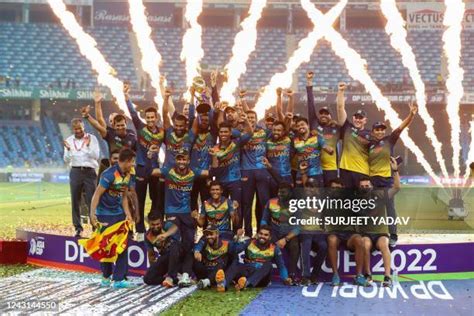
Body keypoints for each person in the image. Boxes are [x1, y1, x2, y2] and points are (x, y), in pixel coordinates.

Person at [151, 148, 209, 287]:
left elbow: (208, 172)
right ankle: (170, 277)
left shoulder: (193, 172)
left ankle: (185, 275)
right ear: (175, 160)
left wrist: (213, 157)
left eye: (184, 159)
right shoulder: (168, 171)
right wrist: (152, 156)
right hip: (171, 213)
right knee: (175, 244)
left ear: (188, 161)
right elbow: (153, 172)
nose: (181, 161)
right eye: (179, 159)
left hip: (187, 213)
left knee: (189, 245)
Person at [369, 102, 417, 246]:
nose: (380, 132)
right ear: (373, 131)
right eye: (377, 129)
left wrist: (411, 115)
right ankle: (372, 234)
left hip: (386, 181)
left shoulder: (389, 140)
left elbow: (400, 128)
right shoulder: (368, 144)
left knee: (390, 208)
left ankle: (393, 235)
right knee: (371, 209)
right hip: (372, 182)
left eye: (382, 129)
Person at [89, 148, 136, 288]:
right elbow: (96, 195)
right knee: (106, 246)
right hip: (105, 214)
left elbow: (123, 197)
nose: (133, 164)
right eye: (132, 161)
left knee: (122, 245)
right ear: (126, 161)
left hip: (119, 215)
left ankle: (119, 279)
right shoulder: (109, 174)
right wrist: (92, 214)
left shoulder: (129, 175)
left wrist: (128, 214)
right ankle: (105, 277)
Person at [124, 83, 164, 240]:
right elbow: (133, 114)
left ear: (156, 118)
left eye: (152, 117)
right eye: (148, 117)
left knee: (156, 201)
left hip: (155, 170)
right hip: (140, 169)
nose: (150, 120)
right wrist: (126, 97)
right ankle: (139, 230)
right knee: (139, 200)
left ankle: (154, 227)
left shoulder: (162, 132)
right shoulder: (140, 128)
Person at [360, 157, 401, 287]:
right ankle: (368, 275)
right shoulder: (355, 199)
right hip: (366, 233)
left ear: (372, 186)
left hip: (380, 233)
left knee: (384, 244)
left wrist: (395, 171)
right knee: (365, 244)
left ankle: (387, 276)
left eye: (367, 186)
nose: (365, 188)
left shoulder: (380, 194)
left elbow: (397, 188)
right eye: (362, 186)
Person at [210, 116, 253, 234]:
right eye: (221, 132)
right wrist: (214, 157)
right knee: (222, 208)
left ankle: (236, 234)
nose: (223, 134)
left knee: (236, 208)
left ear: (230, 133)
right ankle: (223, 233)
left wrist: (246, 121)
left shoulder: (236, 143)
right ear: (218, 133)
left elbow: (250, 134)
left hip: (235, 181)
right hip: (221, 183)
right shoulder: (214, 148)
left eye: (226, 131)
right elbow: (213, 172)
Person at [325, 179, 368, 287]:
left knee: (359, 240)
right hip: (335, 233)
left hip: (349, 234)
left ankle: (359, 276)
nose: (336, 190)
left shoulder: (350, 200)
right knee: (331, 240)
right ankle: (335, 275)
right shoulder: (327, 202)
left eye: (338, 188)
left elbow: (361, 215)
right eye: (333, 188)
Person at [223, 225, 292, 291]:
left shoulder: (274, 248)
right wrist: (237, 237)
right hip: (246, 272)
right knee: (236, 263)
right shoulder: (249, 242)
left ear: (270, 237)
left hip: (261, 280)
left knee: (268, 265)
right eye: (260, 234)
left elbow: (281, 266)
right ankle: (223, 284)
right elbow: (235, 250)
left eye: (266, 235)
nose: (262, 236)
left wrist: (285, 278)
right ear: (257, 234)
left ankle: (246, 283)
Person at [63, 118, 100, 237]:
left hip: (90, 172)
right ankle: (78, 228)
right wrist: (68, 150)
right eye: (75, 128)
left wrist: (88, 146)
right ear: (72, 129)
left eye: (80, 128)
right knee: (75, 200)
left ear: (83, 127)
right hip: (75, 171)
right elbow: (66, 159)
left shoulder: (92, 138)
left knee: (92, 200)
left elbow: (96, 156)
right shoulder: (69, 140)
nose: (78, 130)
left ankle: (95, 226)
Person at [260, 182, 300, 283]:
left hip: (289, 234)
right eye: (279, 192)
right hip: (274, 233)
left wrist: (286, 239)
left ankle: (292, 275)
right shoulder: (271, 202)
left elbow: (299, 227)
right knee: (265, 242)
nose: (280, 194)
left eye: (284, 192)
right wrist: (263, 232)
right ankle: (264, 274)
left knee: (295, 245)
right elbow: (264, 220)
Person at [306, 72, 341, 186]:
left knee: (331, 197)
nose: (323, 115)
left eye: (326, 114)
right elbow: (311, 103)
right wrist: (310, 82)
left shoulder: (335, 128)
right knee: (317, 196)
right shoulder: (314, 123)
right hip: (316, 168)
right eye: (321, 114)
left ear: (331, 116)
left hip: (331, 168)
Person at [336, 82, 371, 188]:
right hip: (345, 170)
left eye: (361, 118)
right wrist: (341, 91)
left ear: (365, 120)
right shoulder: (347, 128)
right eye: (356, 117)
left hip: (362, 172)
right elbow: (340, 108)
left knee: (361, 200)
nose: (358, 119)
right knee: (346, 200)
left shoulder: (370, 134)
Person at [143, 213, 186, 288]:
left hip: (179, 254)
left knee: (174, 245)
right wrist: (153, 268)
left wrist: (165, 235)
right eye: (153, 224)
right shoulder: (148, 236)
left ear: (161, 222)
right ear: (149, 223)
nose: (156, 226)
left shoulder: (167, 225)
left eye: (158, 224)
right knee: (147, 279)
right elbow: (151, 254)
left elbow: (175, 227)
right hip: (166, 258)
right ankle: (175, 279)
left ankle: (170, 277)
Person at [193, 224, 237, 291]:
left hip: (219, 272)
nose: (208, 236)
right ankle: (189, 276)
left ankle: (208, 281)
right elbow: (198, 245)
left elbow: (234, 256)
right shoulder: (204, 241)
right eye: (207, 235)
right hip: (206, 270)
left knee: (226, 259)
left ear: (217, 234)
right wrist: (196, 251)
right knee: (192, 255)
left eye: (211, 234)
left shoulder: (227, 243)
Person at [293, 116, 334, 187]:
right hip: (300, 174)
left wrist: (328, 149)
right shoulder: (294, 140)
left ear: (308, 125)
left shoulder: (316, 137)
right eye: (298, 126)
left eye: (302, 124)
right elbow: (289, 156)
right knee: (300, 197)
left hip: (316, 173)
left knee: (318, 196)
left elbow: (330, 151)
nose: (300, 127)